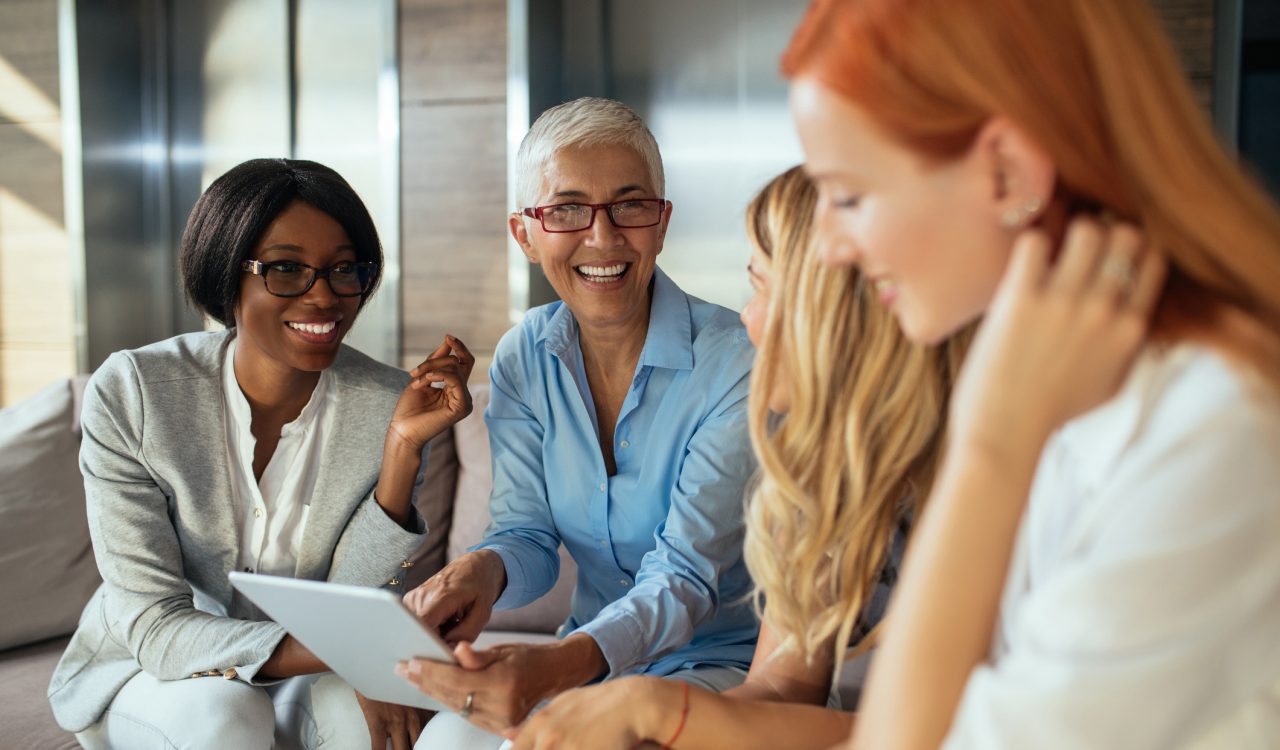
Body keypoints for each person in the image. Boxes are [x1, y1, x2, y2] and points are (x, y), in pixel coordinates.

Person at [782, 0, 1280, 747]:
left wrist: (991, 447)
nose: (827, 247)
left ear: (1009, 172)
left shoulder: (1218, 431)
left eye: (848, 194)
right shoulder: (1074, 382)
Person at [507, 167, 970, 749]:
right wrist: (660, 718)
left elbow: (950, 735)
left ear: (841, 309)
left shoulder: (979, 478)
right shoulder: (820, 476)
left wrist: (661, 710)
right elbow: (784, 684)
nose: (746, 319)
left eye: (764, 288)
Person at [47, 158, 474, 750]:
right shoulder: (135, 392)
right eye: (287, 269)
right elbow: (155, 624)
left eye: (342, 269)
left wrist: (401, 450)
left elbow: (345, 596)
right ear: (227, 274)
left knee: (370, 731)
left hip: (305, 665)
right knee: (225, 715)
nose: (324, 296)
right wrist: (359, 653)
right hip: (151, 672)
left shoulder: (385, 403)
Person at [395, 97, 761, 748]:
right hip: (590, 667)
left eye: (630, 205)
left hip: (721, 671)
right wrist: (479, 570)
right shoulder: (522, 357)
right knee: (446, 740)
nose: (603, 236)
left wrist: (561, 665)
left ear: (662, 221)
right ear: (525, 234)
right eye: (566, 210)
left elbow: (686, 577)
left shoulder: (735, 362)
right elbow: (527, 536)